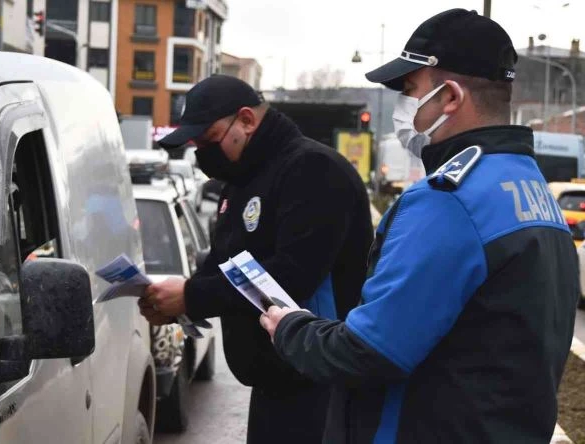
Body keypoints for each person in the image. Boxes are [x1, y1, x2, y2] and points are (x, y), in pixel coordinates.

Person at [259, 9, 580, 443]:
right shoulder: (531, 186)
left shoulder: (452, 200)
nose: (402, 108)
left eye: (410, 91)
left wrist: (291, 328)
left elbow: (369, 352)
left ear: (450, 97)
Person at [140, 74, 373, 443]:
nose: (203, 153)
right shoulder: (242, 179)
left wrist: (192, 296)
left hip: (317, 385)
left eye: (209, 139)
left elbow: (289, 278)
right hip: (274, 383)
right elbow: (224, 264)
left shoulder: (313, 170)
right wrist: (177, 301)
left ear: (246, 120)